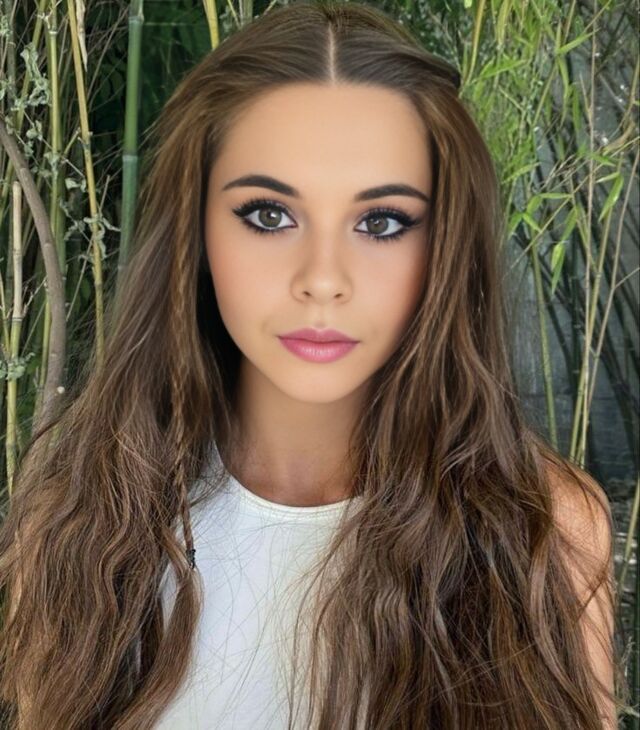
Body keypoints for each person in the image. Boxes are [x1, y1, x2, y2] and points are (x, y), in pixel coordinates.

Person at [0, 2, 628, 728]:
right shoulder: (83, 517)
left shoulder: (545, 530)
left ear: (445, 247)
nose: (323, 279)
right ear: (194, 230)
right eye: (269, 215)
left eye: (381, 222)